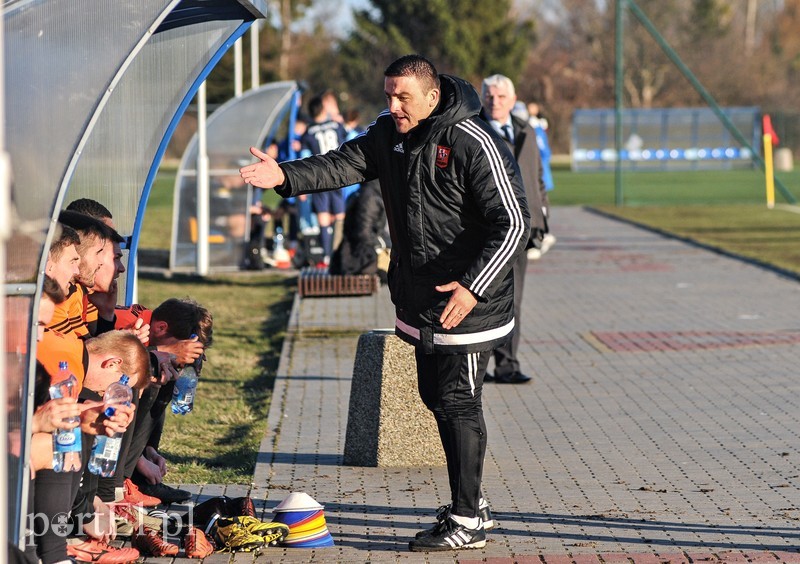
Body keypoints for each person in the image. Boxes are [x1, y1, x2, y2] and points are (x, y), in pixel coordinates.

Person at [241, 54, 530, 552]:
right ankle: (471, 500)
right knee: (434, 399)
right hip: (419, 298)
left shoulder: (472, 139)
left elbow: (514, 222)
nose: (393, 105)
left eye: (403, 97)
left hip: (467, 301)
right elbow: (342, 163)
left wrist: (472, 286)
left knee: (459, 402)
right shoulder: (387, 134)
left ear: (432, 96)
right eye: (389, 95)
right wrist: (284, 176)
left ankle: (469, 520)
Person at [480, 75, 549, 385]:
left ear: (512, 98)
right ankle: (475, 370)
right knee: (483, 300)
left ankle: (507, 366)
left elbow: (537, 179)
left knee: (514, 300)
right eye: (489, 96)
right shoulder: (473, 131)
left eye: (500, 96)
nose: (495, 101)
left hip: (521, 230)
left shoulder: (526, 132)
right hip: (486, 231)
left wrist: (541, 220)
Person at [300, 93, 348, 268]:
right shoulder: (336, 125)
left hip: (319, 177)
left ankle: (327, 256)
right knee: (340, 216)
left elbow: (304, 157)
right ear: (323, 109)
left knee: (323, 218)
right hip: (339, 174)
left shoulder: (308, 132)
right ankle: (341, 253)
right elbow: (346, 141)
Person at [526, 100, 556, 257]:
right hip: (537, 171)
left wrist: (536, 164)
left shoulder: (534, 128)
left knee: (539, 202)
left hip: (539, 173)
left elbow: (544, 152)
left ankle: (542, 236)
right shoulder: (532, 126)